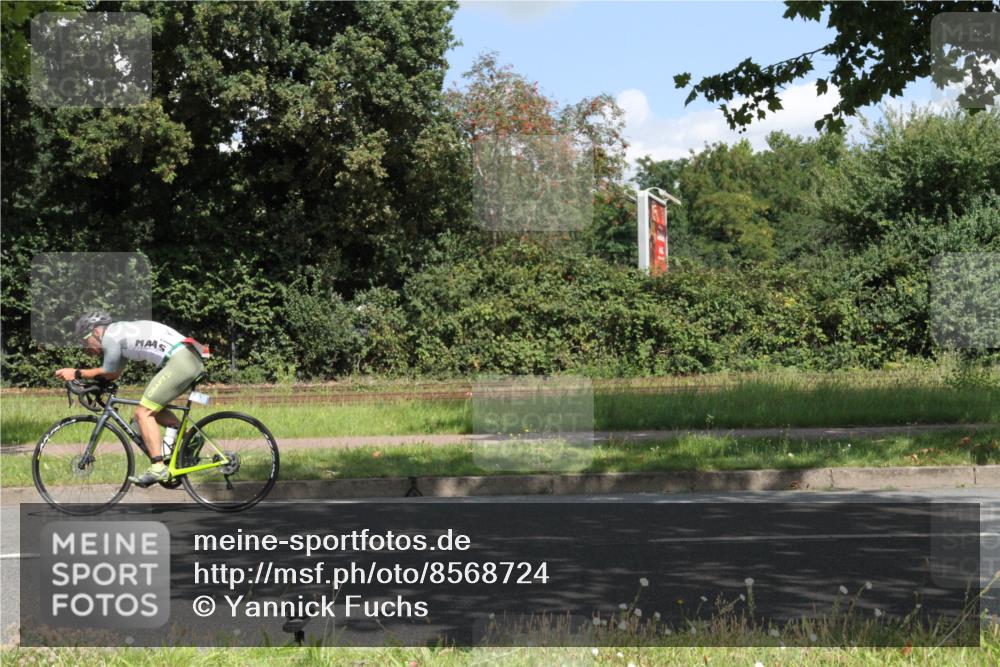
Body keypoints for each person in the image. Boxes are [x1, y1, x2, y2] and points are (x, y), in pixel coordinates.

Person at [55, 311, 208, 487]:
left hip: (181, 360)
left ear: (96, 331)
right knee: (149, 410)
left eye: (85, 340)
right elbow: (113, 373)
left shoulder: (110, 336)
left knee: (143, 413)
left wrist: (76, 373)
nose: (85, 347)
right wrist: (91, 386)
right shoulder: (120, 334)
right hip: (187, 358)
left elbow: (107, 369)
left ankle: (158, 467)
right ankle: (190, 439)